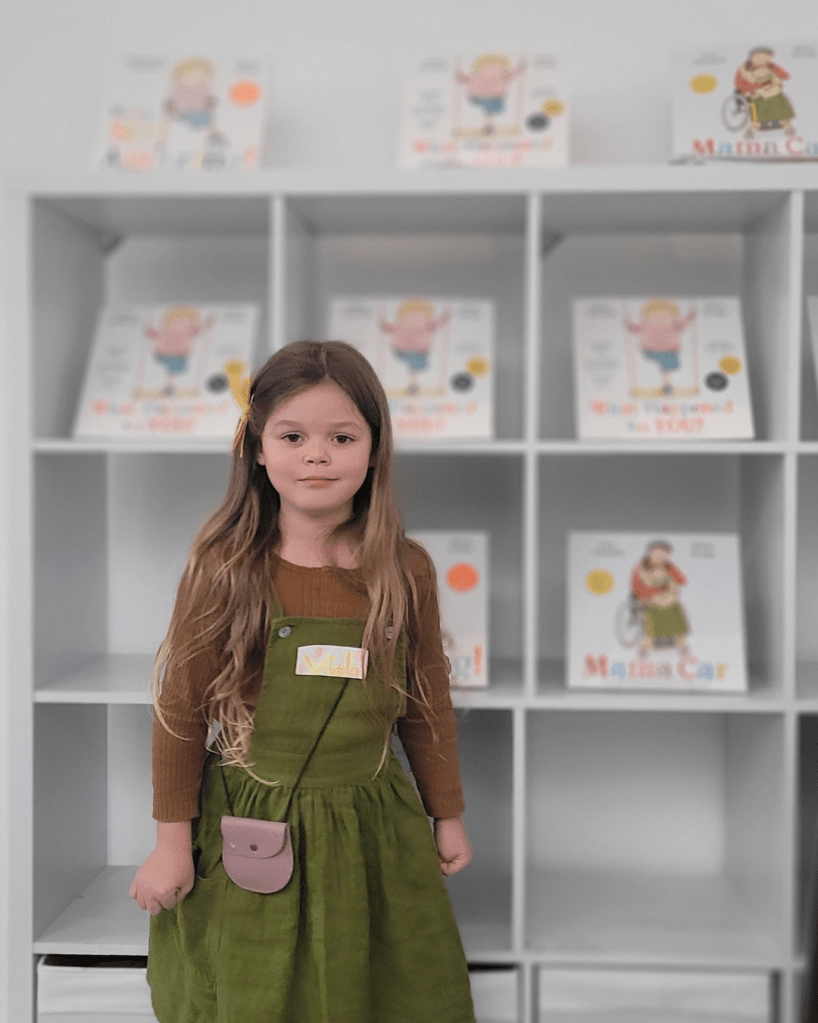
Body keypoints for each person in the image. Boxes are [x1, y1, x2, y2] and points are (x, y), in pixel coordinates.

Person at [129, 340, 476, 1023]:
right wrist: (171, 844)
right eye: (293, 435)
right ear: (258, 448)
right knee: (258, 987)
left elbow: (427, 701)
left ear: (374, 450)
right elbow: (179, 713)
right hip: (252, 825)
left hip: (370, 823)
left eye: (341, 436)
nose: (317, 454)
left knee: (380, 984)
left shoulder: (406, 569)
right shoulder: (226, 569)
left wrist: (449, 812)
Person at [630, 541, 690, 657]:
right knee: (652, 619)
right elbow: (637, 589)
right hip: (650, 600)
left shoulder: (669, 566)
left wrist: (671, 570)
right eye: (658, 553)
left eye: (664, 554)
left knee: (675, 614)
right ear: (650, 553)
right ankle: (647, 644)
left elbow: (682, 580)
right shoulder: (641, 569)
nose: (661, 556)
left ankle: (681, 642)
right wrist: (655, 591)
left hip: (669, 599)